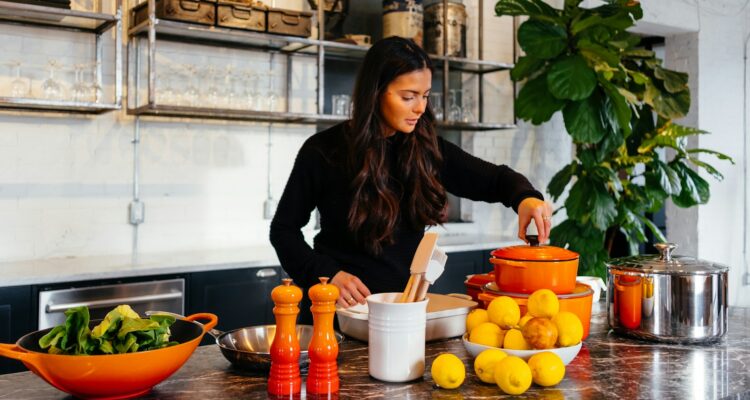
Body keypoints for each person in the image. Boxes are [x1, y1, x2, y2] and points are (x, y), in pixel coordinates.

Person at [270, 37, 552, 312]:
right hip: (335, 314)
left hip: (402, 315)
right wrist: (328, 275)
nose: (420, 108)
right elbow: (283, 231)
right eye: (408, 97)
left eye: (425, 96)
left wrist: (525, 198)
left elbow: (496, 180)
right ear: (376, 91)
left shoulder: (427, 149)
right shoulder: (323, 151)